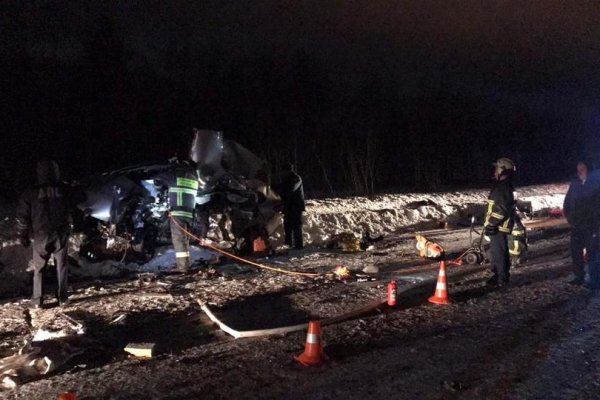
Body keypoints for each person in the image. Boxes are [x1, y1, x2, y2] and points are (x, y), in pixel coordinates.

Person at [16, 159, 75, 308]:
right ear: (56, 171)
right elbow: (78, 202)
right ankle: (62, 298)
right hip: (60, 234)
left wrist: (23, 235)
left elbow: (23, 218)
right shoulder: (65, 189)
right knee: (61, 266)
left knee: (39, 268)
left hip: (41, 235)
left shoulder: (30, 193)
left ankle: (38, 301)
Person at [159, 157, 199, 274]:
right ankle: (185, 265)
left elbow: (158, 179)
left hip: (178, 214)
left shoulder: (175, 175)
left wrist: (158, 187)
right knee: (184, 241)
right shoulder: (194, 176)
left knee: (179, 241)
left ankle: (183, 268)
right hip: (189, 214)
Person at [563, 161, 599, 286]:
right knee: (575, 251)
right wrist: (568, 216)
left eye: (582, 169)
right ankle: (579, 276)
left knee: (592, 252)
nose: (580, 172)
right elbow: (568, 201)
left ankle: (594, 279)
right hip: (577, 225)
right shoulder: (575, 183)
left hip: (591, 225)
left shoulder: (596, 184)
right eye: (578, 169)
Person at [484, 157, 517, 288]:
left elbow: (501, 209)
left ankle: (502, 278)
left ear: (503, 170)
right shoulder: (504, 186)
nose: (495, 171)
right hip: (498, 226)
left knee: (499, 253)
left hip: (499, 227)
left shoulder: (503, 188)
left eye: (497, 168)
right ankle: (497, 275)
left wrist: (492, 223)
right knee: (496, 252)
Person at [274, 162, 305, 249]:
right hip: (288, 206)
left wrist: (282, 202)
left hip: (295, 206)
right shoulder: (286, 179)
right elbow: (281, 187)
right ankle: (288, 243)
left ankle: (299, 245)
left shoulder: (296, 179)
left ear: (287, 171)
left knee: (296, 226)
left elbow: (290, 190)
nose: (282, 173)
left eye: (283, 171)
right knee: (287, 226)